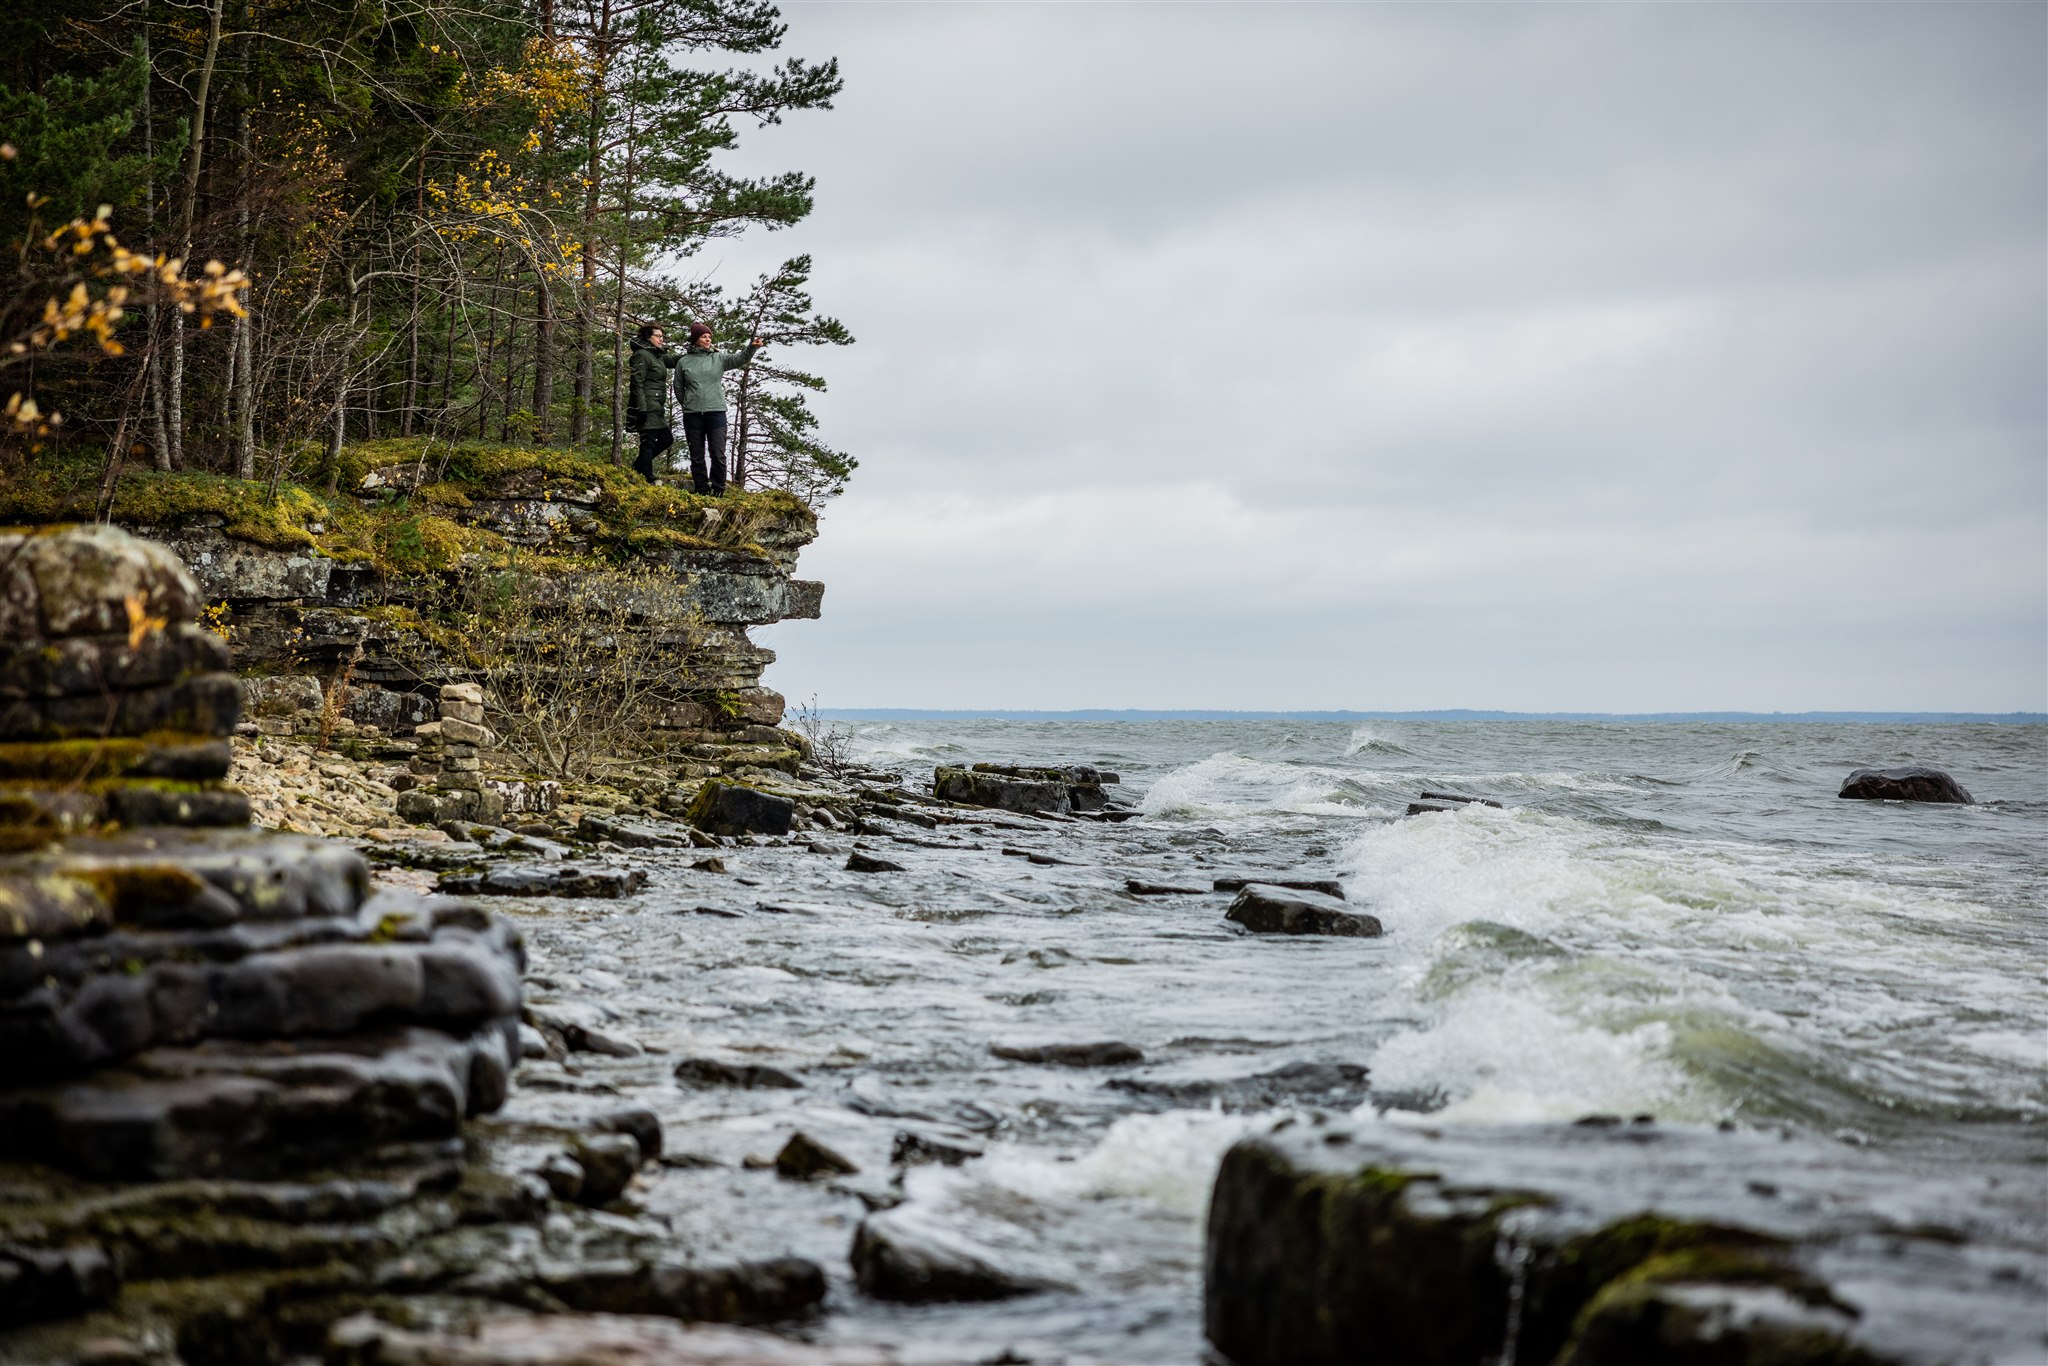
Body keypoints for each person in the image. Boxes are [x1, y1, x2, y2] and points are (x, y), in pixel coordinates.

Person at [673, 322, 761, 495]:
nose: (707, 339)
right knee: (696, 455)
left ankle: (719, 488)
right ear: (695, 340)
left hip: (716, 412)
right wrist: (688, 403)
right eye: (703, 336)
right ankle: (701, 489)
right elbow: (678, 387)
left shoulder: (718, 358)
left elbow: (739, 359)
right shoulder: (684, 362)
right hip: (692, 414)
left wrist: (751, 348)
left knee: (718, 453)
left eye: (709, 337)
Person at [626, 323, 680, 482]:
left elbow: (673, 360)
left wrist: (693, 352)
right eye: (658, 336)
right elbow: (637, 383)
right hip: (646, 405)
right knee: (648, 442)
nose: (661, 339)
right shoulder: (641, 355)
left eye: (662, 336)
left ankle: (637, 467)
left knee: (666, 439)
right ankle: (647, 477)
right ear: (648, 337)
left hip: (656, 406)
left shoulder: (657, 355)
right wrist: (641, 408)